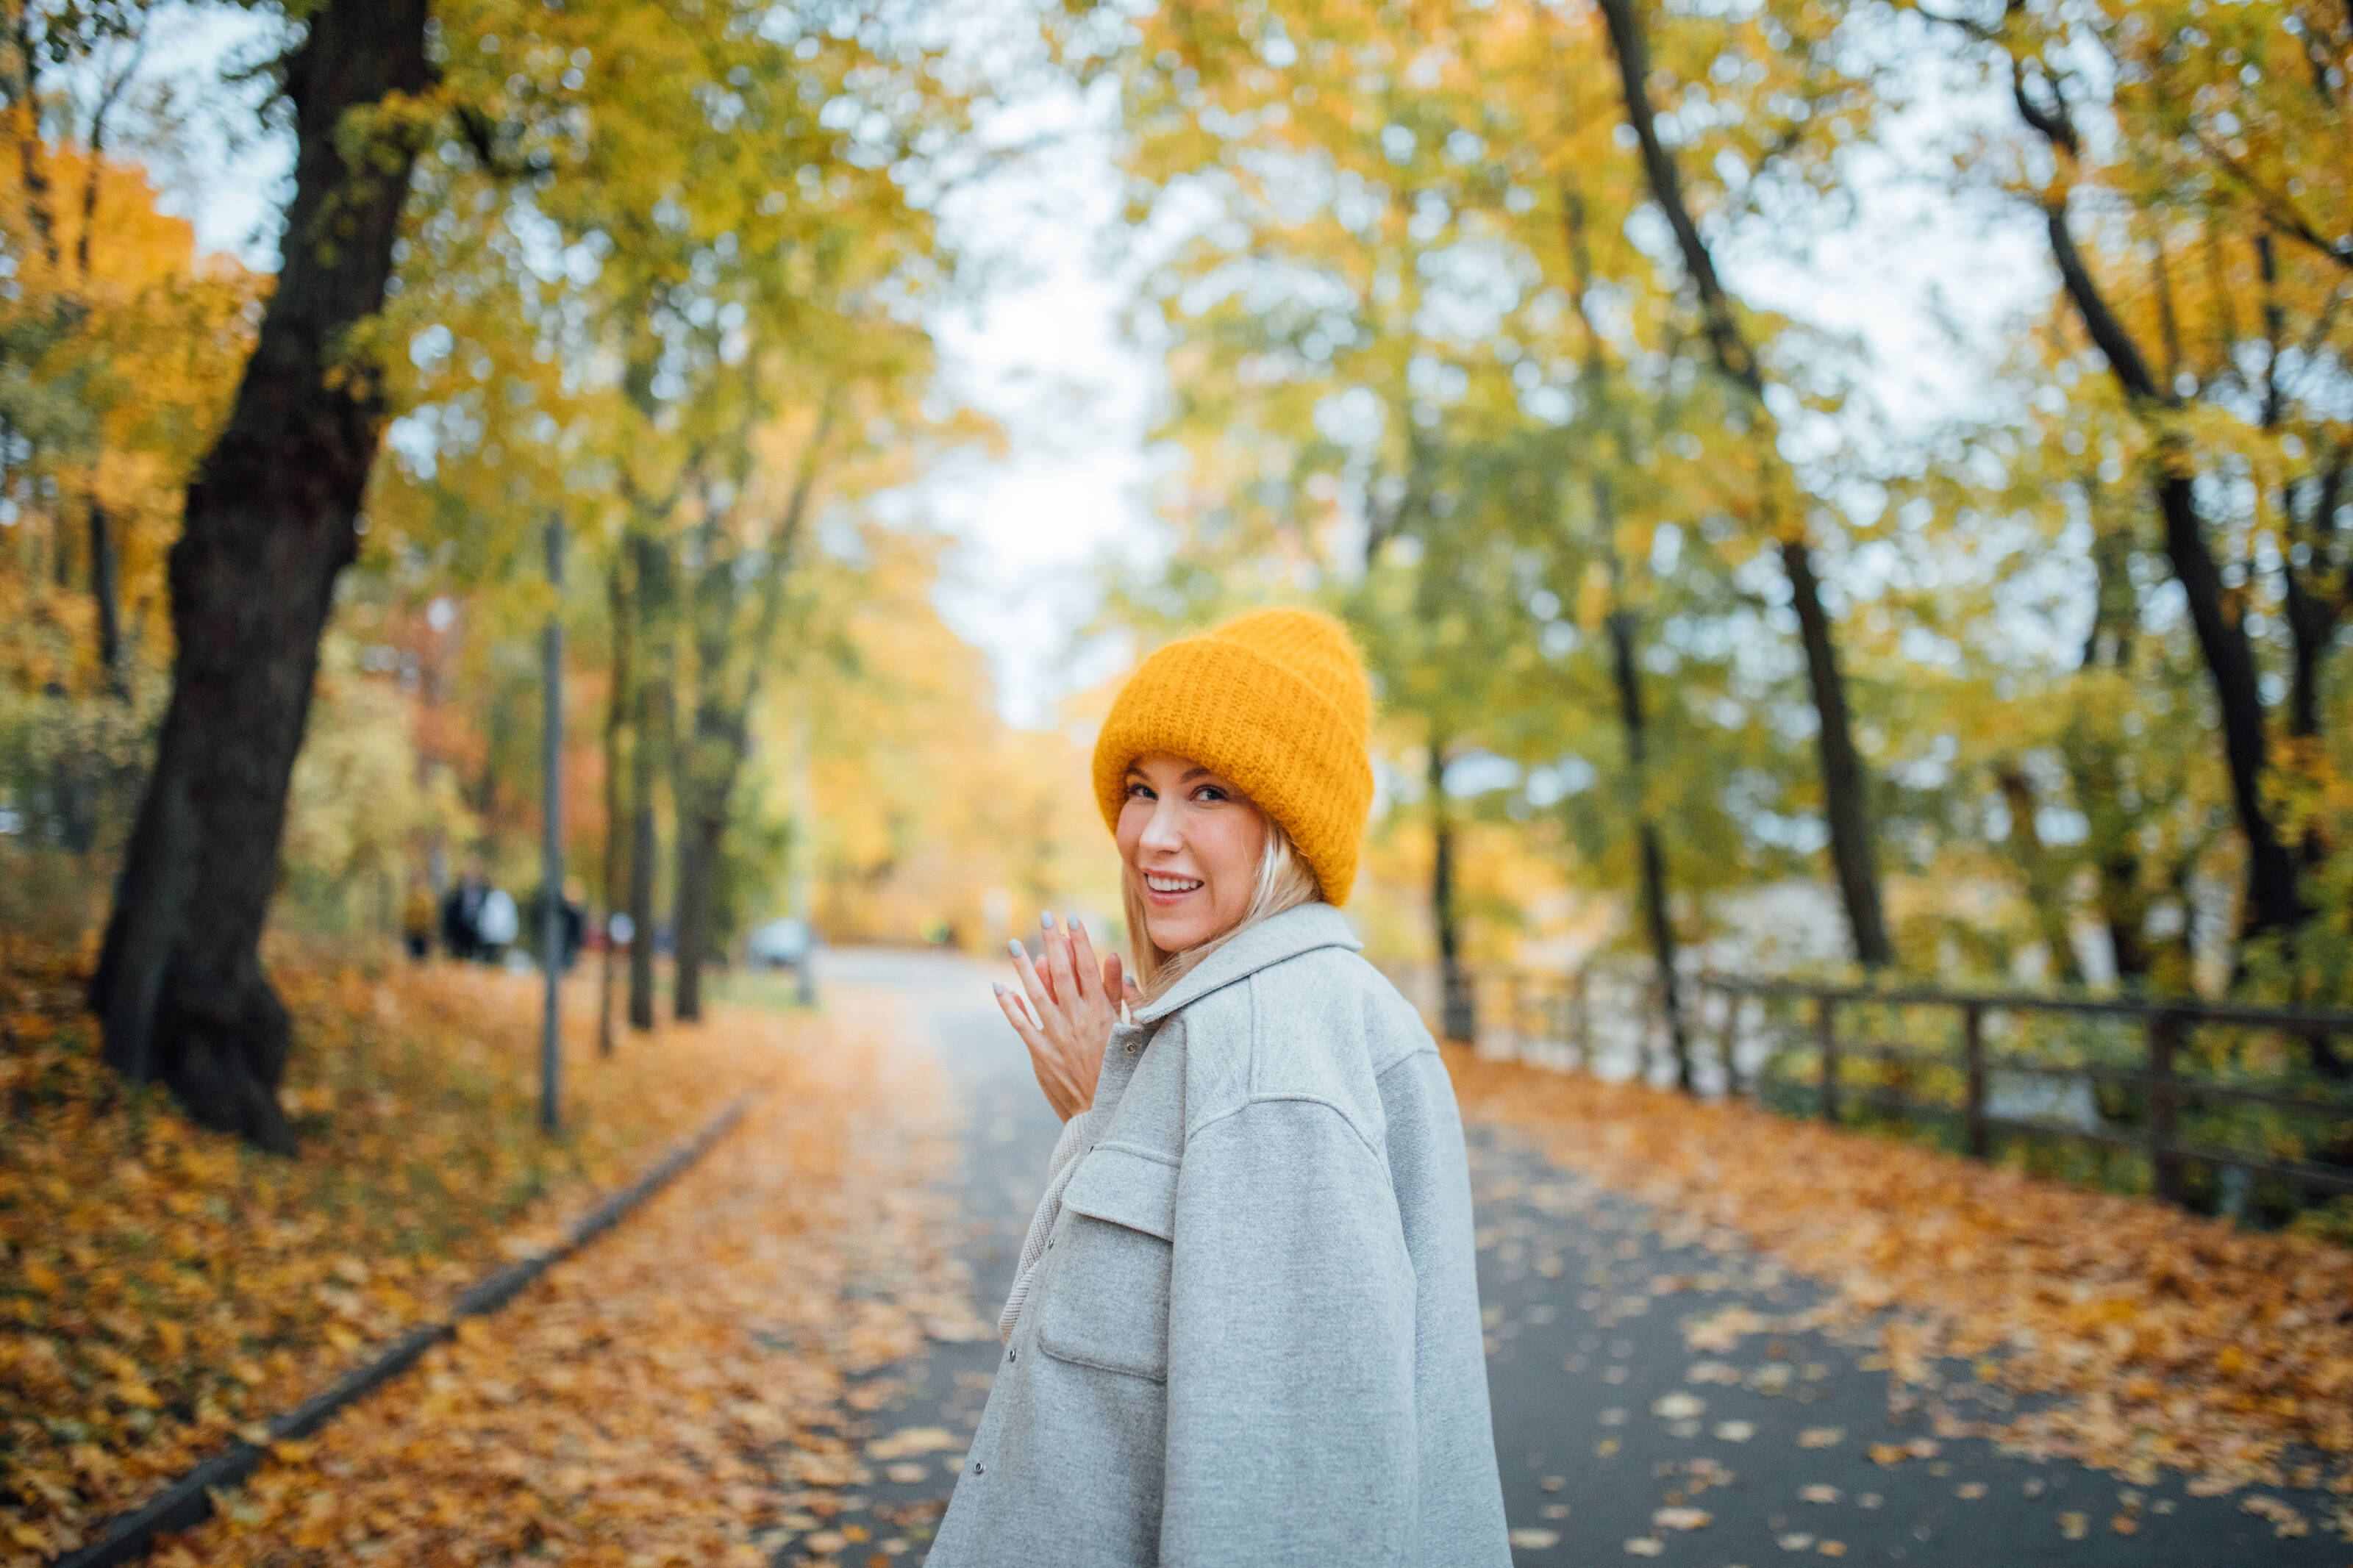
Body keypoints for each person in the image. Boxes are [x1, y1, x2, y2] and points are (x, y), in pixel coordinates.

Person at [930, 609, 1510, 1567]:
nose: (1153, 835)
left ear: (1289, 825)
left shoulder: (1271, 1055)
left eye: (1208, 792)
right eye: (1139, 788)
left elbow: (1285, 1494)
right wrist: (1097, 1110)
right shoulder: (1237, 1019)